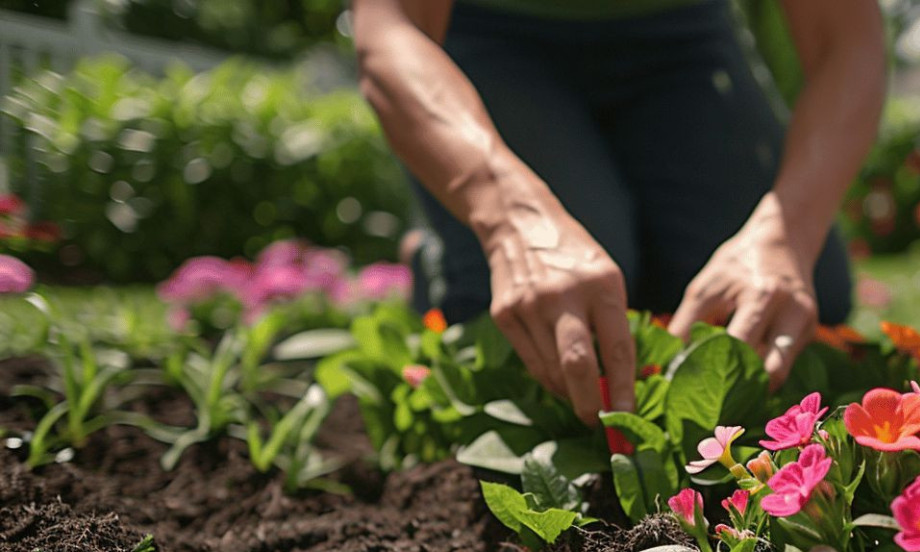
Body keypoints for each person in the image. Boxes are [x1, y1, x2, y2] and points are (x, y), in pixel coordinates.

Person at [352, 0, 885, 422]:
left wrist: (786, 235)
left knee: (808, 293)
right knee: (560, 320)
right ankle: (445, 261)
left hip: (685, 37)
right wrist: (511, 220)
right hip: (485, 32)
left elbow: (849, 41)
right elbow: (388, 30)